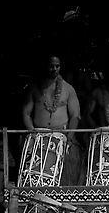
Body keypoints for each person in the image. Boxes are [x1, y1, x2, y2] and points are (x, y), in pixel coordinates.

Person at [21, 55, 82, 185]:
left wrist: (69, 138)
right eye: (51, 66)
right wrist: (32, 133)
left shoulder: (68, 89)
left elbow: (75, 115)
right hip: (39, 135)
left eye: (57, 66)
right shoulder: (34, 88)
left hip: (61, 135)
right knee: (35, 175)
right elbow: (26, 113)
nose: (54, 69)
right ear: (45, 67)